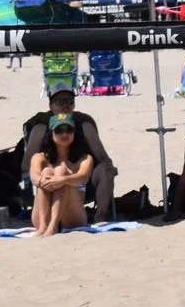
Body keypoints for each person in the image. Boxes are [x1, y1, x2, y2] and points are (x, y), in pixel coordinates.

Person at [20, 86, 118, 214]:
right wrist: (43, 178)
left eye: (69, 101)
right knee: (53, 171)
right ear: (51, 106)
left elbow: (103, 159)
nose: (65, 105)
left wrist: (108, 168)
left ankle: (100, 217)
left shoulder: (84, 125)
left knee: (105, 168)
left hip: (82, 181)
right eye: (59, 102)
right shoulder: (41, 128)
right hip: (52, 183)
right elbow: (27, 166)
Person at [29, 113, 94, 236]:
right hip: (42, 215)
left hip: (73, 217)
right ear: (51, 134)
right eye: (59, 130)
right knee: (46, 172)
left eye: (69, 130)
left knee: (61, 171)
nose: (64, 134)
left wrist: (63, 180)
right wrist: (43, 180)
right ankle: (44, 225)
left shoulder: (84, 158)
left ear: (75, 133)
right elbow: (34, 176)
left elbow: (83, 177)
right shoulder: (39, 157)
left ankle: (53, 226)